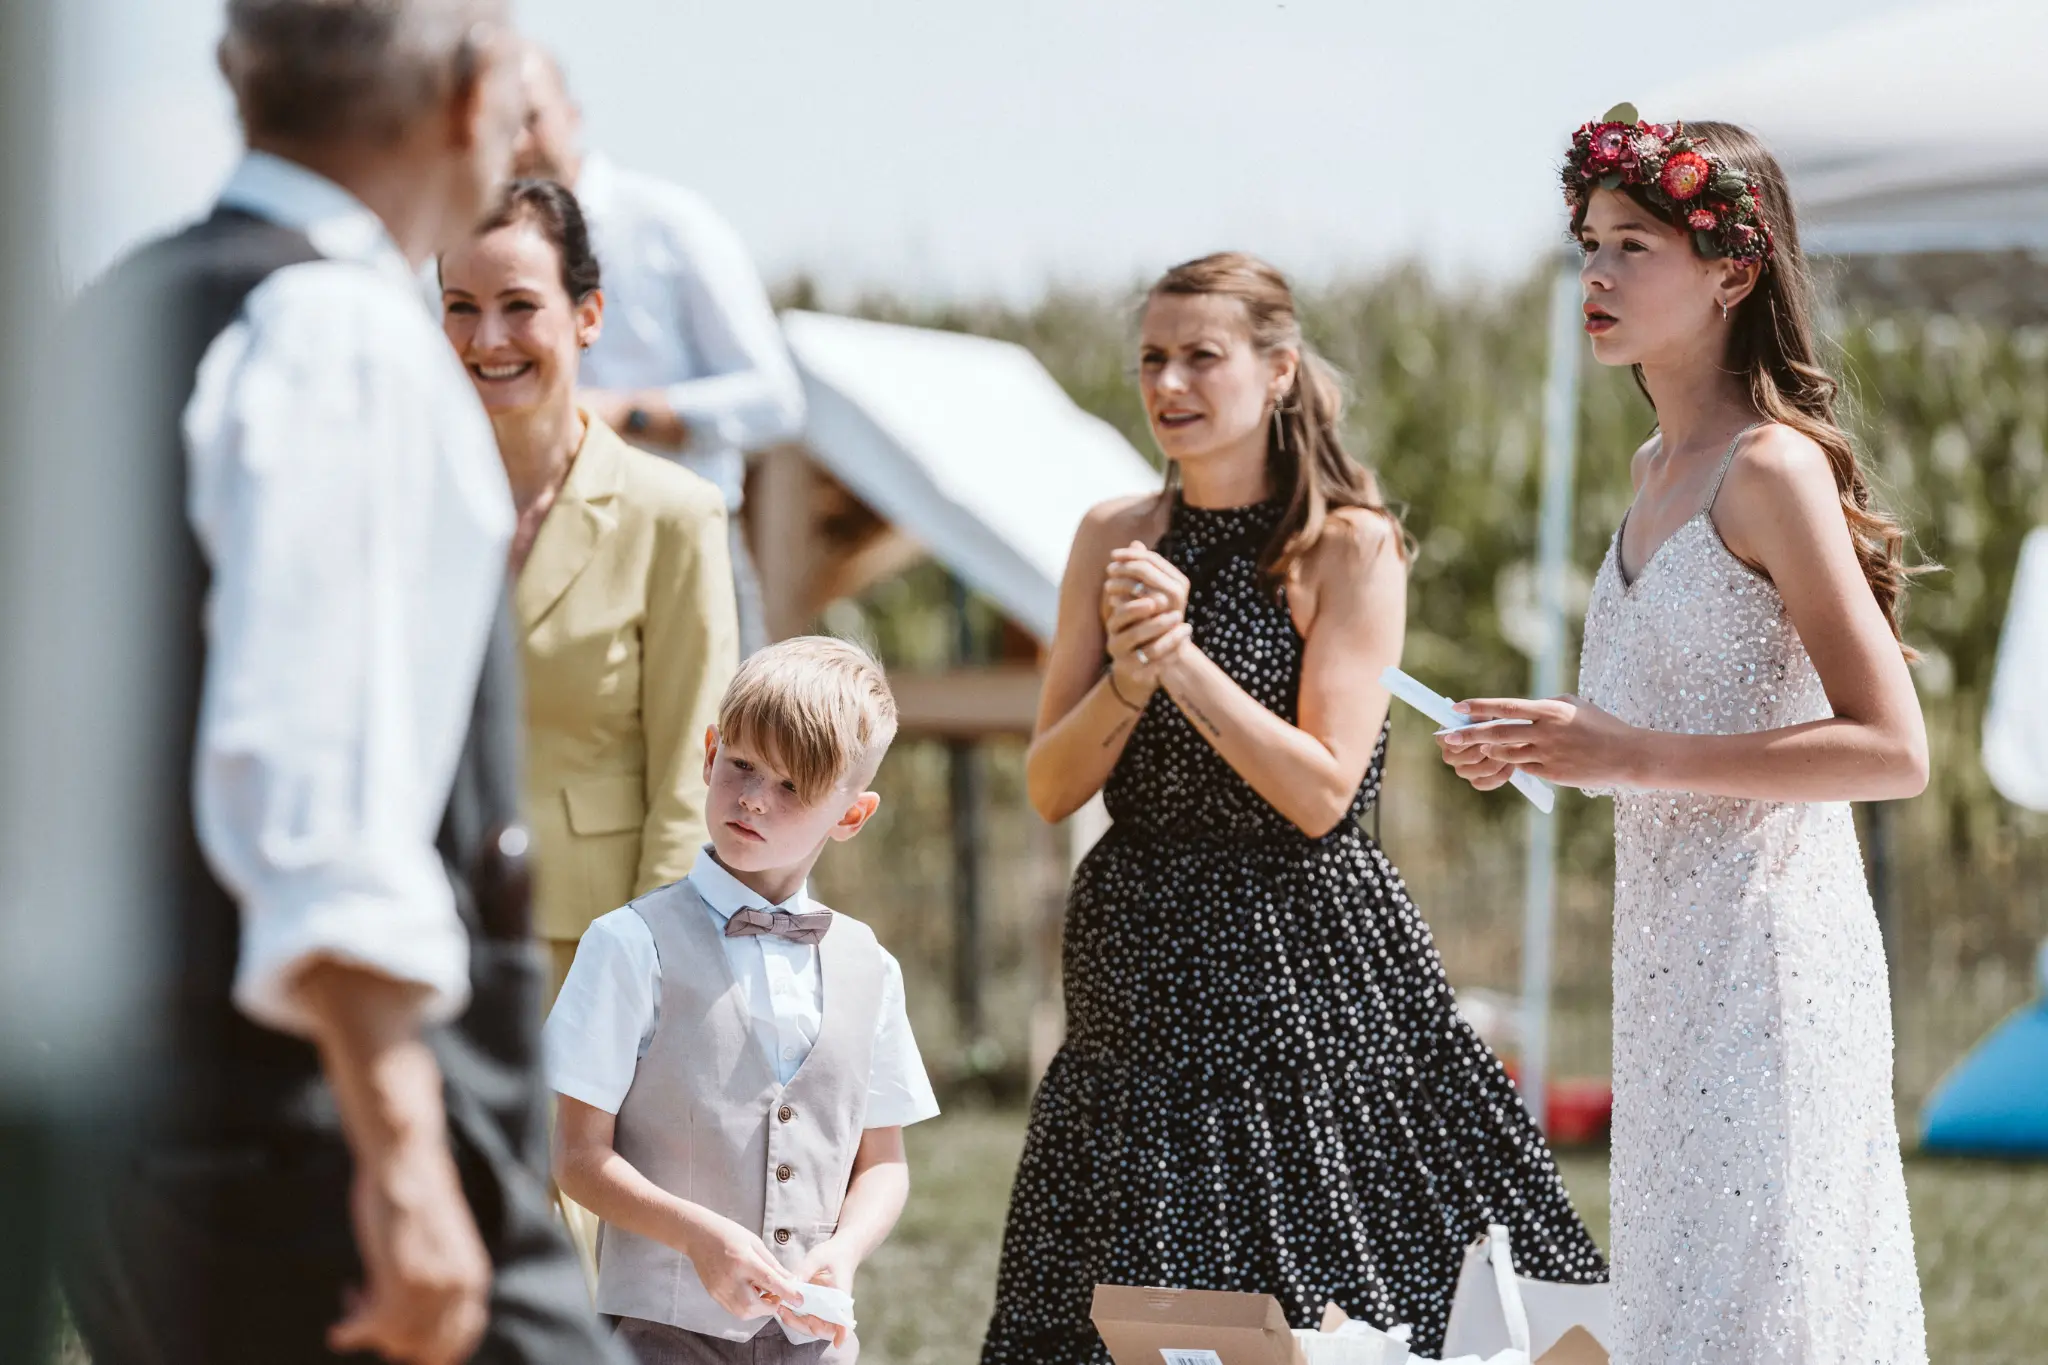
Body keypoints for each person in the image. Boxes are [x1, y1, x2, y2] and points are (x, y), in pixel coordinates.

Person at [57, 4, 623, 1363]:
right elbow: (314, 778)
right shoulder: (344, 335)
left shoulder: (116, 316)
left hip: (132, 1126)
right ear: (471, 96)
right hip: (319, 1132)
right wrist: (406, 1157)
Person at [980, 253, 1606, 1363]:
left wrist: (1178, 659)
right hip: (1136, 941)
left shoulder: (1348, 544)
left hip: (1303, 946)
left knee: (1337, 1269)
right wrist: (1129, 675)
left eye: (1200, 356)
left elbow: (1321, 794)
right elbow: (1049, 785)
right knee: (1134, 1265)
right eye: (1151, 359)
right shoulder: (1110, 537)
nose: (1169, 383)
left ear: (1276, 371)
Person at [1440, 110, 1929, 1363]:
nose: (1595, 276)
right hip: (1662, 972)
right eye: (1587, 246)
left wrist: (1627, 754)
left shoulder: (1768, 470)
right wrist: (1541, 749)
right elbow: (1652, 735)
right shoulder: (1652, 468)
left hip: (1770, 965)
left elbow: (1891, 748)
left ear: (1731, 271)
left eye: (1632, 246)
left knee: (1768, 1310)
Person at [546, 636, 939, 1363]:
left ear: (851, 816)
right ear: (709, 754)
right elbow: (575, 1155)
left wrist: (845, 1250)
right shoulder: (629, 944)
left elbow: (884, 1162)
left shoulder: (870, 967)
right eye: (742, 765)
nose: (755, 797)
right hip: (658, 1336)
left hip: (812, 1339)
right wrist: (694, 1235)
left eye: (793, 787)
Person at [439, 178, 739, 1004]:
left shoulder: (674, 514)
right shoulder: (400, 509)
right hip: (422, 945)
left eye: (519, 305)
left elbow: (692, 777)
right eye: (461, 307)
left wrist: (657, 972)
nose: (487, 338)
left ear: (588, 315)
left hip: (597, 958)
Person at [512, 45, 806, 658]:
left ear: (572, 114)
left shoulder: (670, 226)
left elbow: (776, 400)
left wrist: (625, 413)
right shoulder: (472, 245)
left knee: (726, 723)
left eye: (530, 117)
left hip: (683, 550)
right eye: (498, 123)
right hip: (542, 554)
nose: (515, 142)